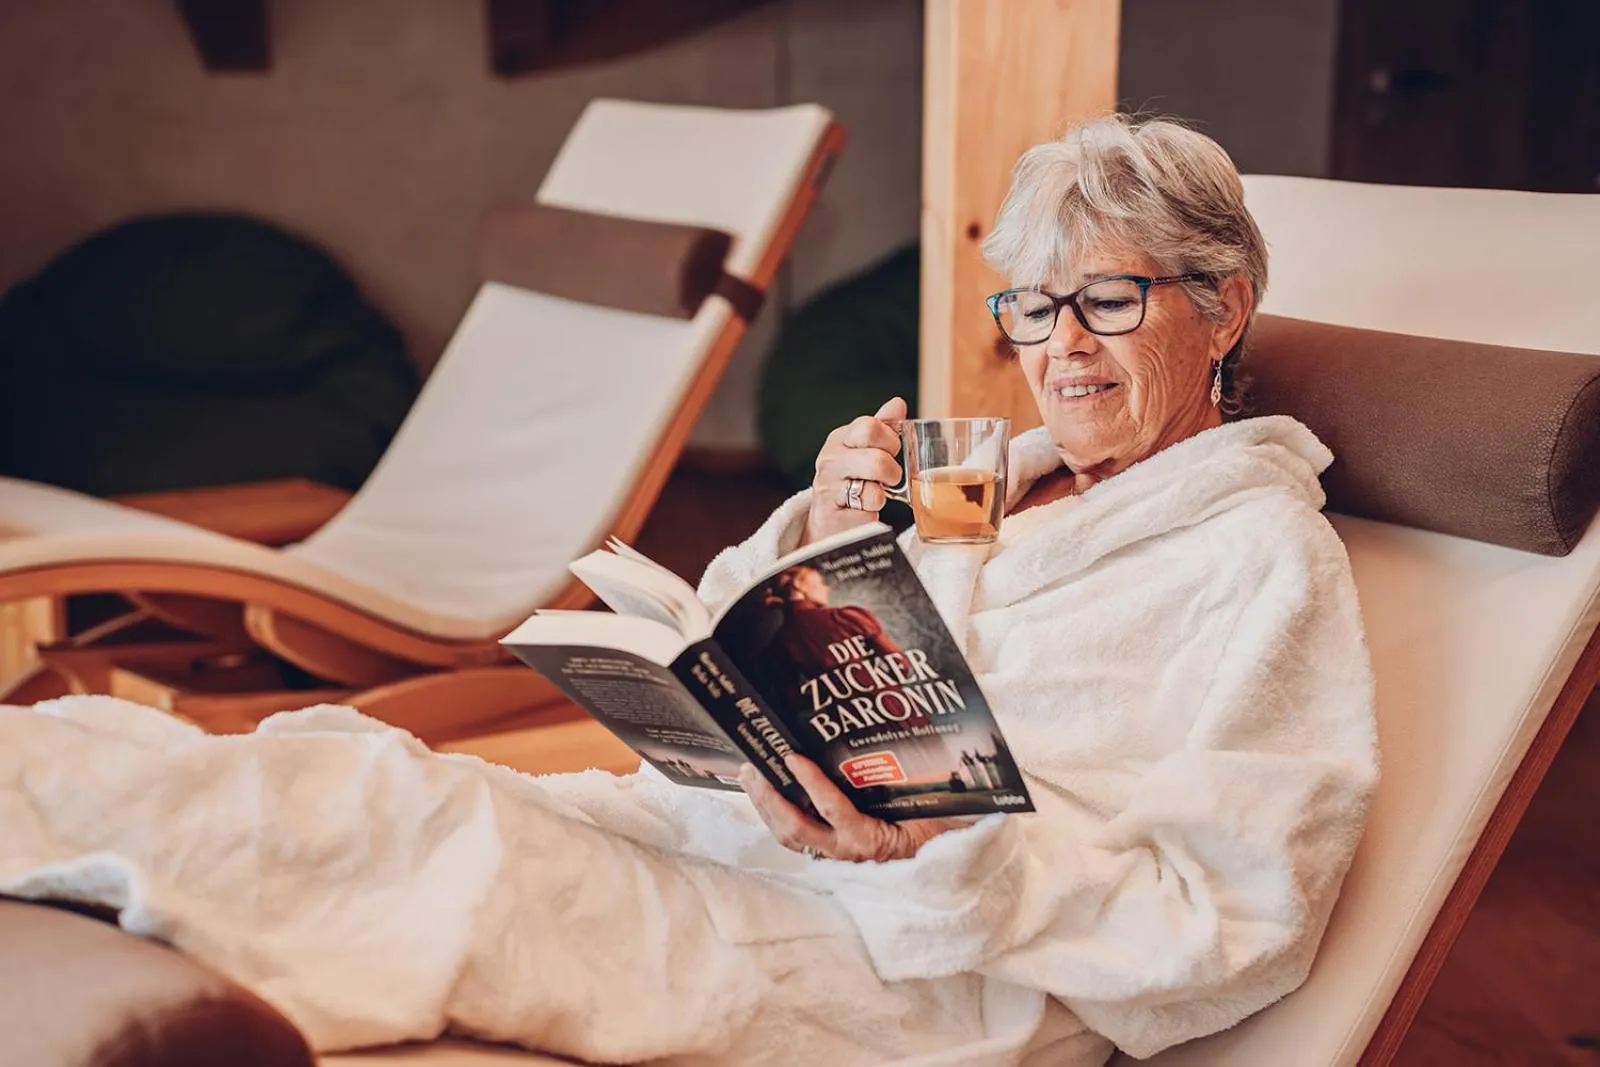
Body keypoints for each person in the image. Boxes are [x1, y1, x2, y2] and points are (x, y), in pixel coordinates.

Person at [0, 115, 1377, 1067]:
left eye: (1112, 302)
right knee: (361, 774)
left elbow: (1239, 918)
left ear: (1225, 305)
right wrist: (827, 536)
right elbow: (793, 646)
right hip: (741, 844)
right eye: (1032, 306)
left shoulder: (1254, 556)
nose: (1060, 350)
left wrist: (941, 849)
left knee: (434, 846)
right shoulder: (986, 480)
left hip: (926, 976)